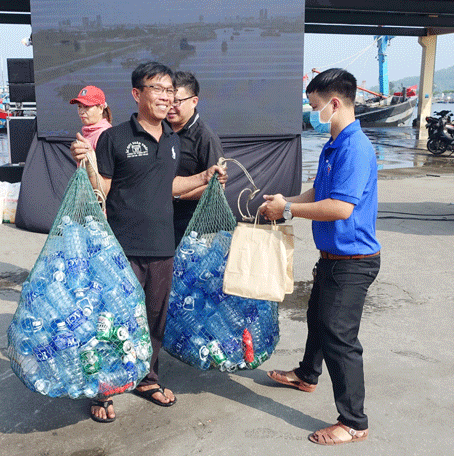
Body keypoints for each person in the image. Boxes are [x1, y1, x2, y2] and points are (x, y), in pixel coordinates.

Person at [70, 62, 226, 423]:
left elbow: (167, 187)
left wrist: (204, 175)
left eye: (170, 90)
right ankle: (104, 389)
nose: (166, 97)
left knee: (155, 319)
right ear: (137, 94)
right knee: (112, 319)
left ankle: (147, 378)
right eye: (158, 89)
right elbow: (101, 192)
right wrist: (87, 165)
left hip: (162, 246)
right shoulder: (115, 138)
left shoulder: (173, 140)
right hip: (122, 247)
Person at [259, 68, 381, 446]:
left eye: (313, 107)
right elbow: (319, 190)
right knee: (317, 317)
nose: (311, 113)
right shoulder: (334, 144)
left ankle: (353, 422)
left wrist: (289, 212)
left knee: (339, 338)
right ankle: (306, 376)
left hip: (353, 261)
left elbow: (341, 208)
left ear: (333, 103)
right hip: (333, 257)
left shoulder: (355, 148)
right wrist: (286, 202)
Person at [166, 71, 225, 247]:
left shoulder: (205, 137)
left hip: (192, 226)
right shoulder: (159, 131)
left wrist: (177, 195)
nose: (170, 107)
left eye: (176, 101)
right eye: (168, 100)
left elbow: (217, 187)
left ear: (194, 101)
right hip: (160, 223)